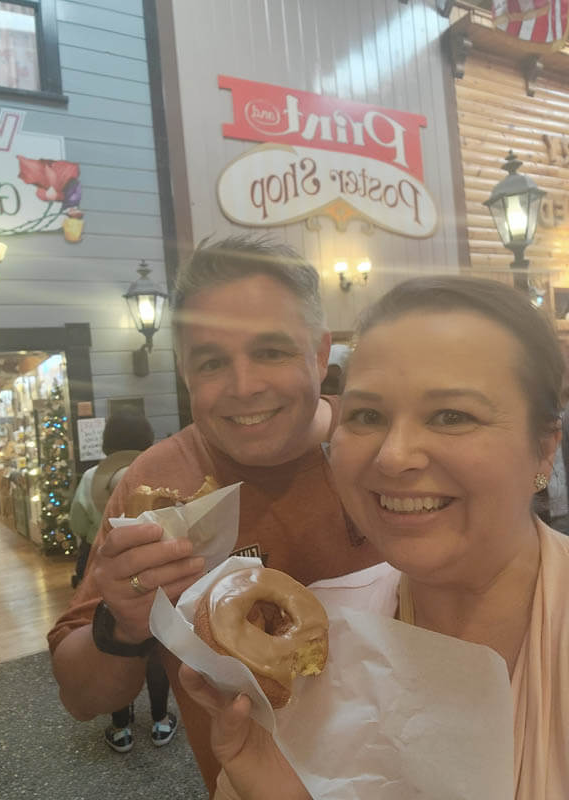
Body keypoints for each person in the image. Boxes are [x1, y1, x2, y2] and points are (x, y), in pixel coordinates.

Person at [181, 275, 569, 800]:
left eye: (451, 416)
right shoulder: (310, 648)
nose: (393, 456)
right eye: (367, 415)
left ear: (544, 448)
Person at [47, 235, 381, 794]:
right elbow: (83, 698)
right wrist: (123, 624)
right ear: (184, 370)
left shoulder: (385, 449)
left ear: (320, 354)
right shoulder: (155, 488)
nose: (244, 386)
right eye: (212, 362)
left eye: (271, 351)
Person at [68, 412, 176, 752]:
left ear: (107, 442)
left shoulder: (91, 478)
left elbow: (77, 522)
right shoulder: (157, 474)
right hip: (151, 563)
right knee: (155, 639)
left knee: (111, 638)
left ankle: (121, 727)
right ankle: (160, 720)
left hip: (99, 564)